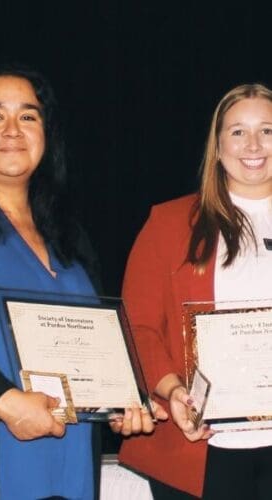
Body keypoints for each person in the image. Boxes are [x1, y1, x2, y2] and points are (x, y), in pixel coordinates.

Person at [0, 63, 163, 500]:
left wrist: (121, 402)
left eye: (28, 116)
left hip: (71, 454)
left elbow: (100, 340)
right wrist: (7, 403)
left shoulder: (67, 231)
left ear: (46, 134)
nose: (12, 129)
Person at [119, 83, 272, 499]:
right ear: (217, 145)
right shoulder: (168, 224)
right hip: (199, 450)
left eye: (267, 130)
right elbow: (139, 328)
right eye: (238, 131)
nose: (253, 144)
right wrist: (173, 391)